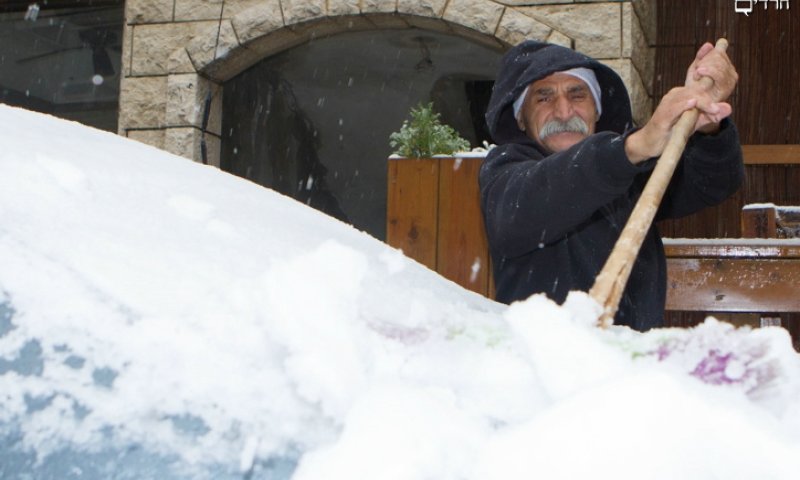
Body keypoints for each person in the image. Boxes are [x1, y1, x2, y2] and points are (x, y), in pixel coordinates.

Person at [480, 40, 744, 331]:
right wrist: (633, 148)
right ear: (521, 118)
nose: (564, 112)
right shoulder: (506, 168)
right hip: (545, 361)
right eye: (544, 98)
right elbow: (524, 206)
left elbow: (713, 183)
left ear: (597, 110)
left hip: (629, 361)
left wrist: (706, 123)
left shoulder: (630, 173)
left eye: (577, 94)